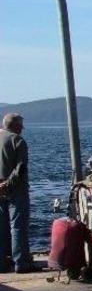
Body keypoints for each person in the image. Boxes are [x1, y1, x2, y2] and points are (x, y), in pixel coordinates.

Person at [0, 113, 35, 273]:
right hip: (15, 190)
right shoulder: (17, 140)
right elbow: (20, 168)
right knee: (18, 226)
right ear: (16, 126)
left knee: (1, 226)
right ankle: (21, 262)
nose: (22, 129)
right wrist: (7, 184)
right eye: (21, 126)